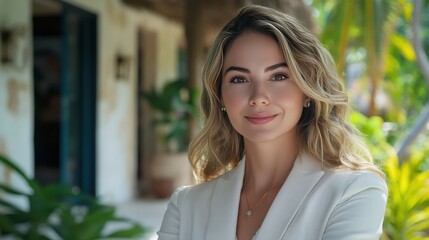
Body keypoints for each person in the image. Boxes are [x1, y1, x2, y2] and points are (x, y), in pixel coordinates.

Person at [157, 5, 387, 240]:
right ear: (220, 97)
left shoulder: (354, 191)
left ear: (307, 90)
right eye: (239, 79)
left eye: (278, 76)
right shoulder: (186, 207)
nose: (258, 97)